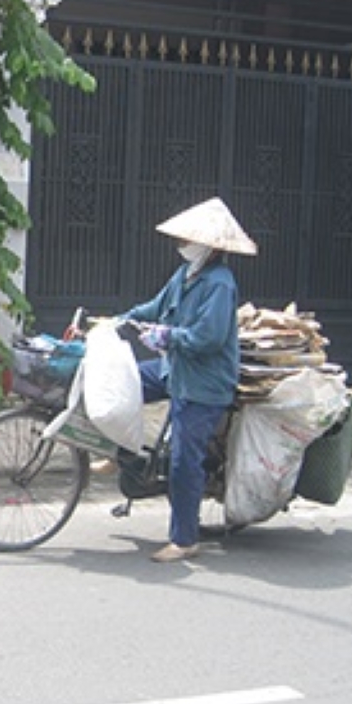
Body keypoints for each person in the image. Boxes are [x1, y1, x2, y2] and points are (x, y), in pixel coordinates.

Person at [118, 197, 257, 562]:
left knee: (183, 460)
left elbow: (207, 339)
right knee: (124, 383)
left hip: (204, 384)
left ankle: (184, 539)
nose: (181, 245)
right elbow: (155, 307)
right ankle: (123, 452)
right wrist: (119, 319)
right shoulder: (185, 275)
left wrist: (168, 337)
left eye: (187, 239)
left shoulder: (220, 285)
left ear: (208, 246)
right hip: (174, 370)